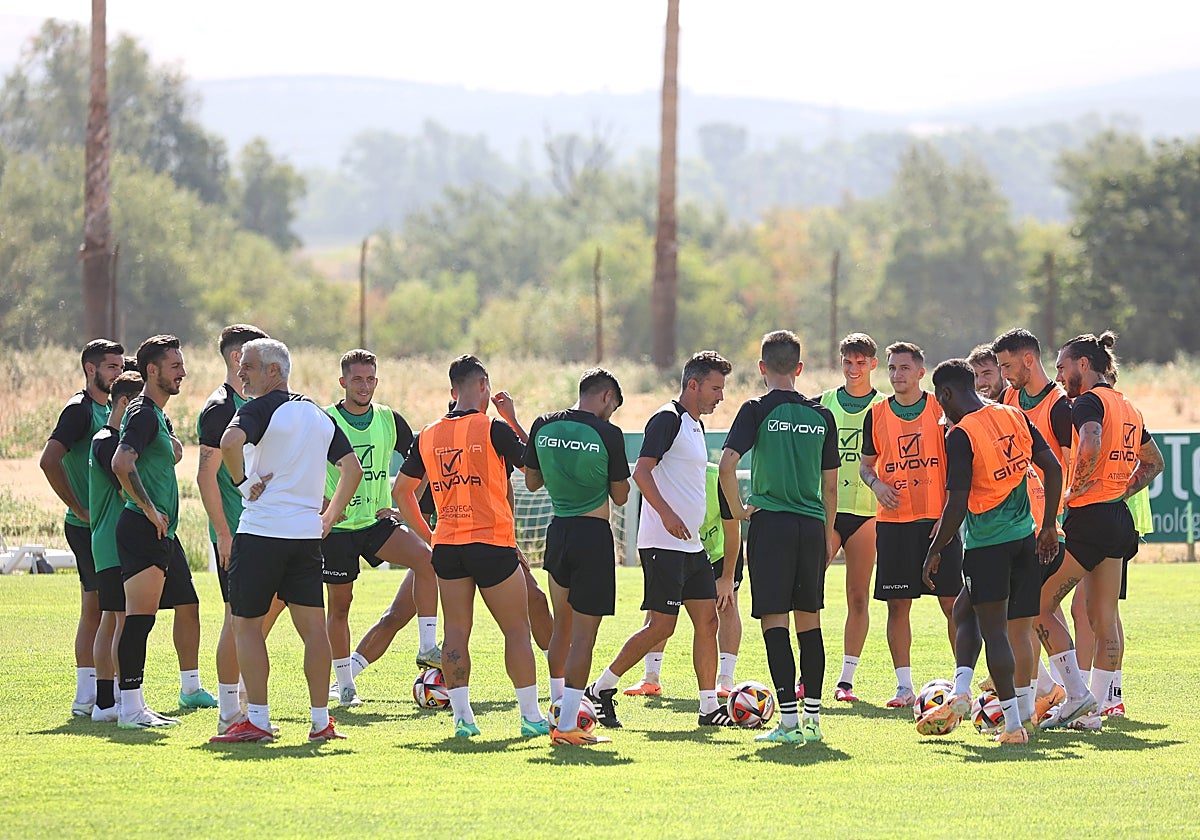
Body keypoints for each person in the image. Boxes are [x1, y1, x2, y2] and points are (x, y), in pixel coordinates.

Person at [211, 338, 363, 743]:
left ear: (273, 371)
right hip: (305, 537)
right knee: (314, 630)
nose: (241, 374)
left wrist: (243, 484)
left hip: (261, 533)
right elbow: (352, 468)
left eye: (249, 367)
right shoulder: (317, 414)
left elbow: (229, 444)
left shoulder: (257, 408)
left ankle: (257, 721)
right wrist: (329, 517)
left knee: (246, 627)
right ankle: (320, 722)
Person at [392, 355, 549, 739]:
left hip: (447, 546)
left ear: (452, 391)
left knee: (456, 632)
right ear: (483, 386)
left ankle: (463, 719)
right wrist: (512, 418)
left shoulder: (426, 433)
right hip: (491, 543)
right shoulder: (492, 427)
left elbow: (401, 492)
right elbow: (534, 465)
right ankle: (530, 717)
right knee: (515, 630)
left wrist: (430, 536)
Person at [586, 351, 736, 729]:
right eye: (716, 388)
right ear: (693, 385)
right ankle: (600, 689)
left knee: (707, 621)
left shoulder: (696, 426)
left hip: (691, 545)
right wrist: (667, 514)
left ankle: (707, 709)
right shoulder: (667, 419)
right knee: (661, 627)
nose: (720, 396)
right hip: (662, 544)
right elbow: (641, 472)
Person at [916, 359, 1063, 744]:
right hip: (1024, 539)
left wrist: (935, 548)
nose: (942, 410)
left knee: (995, 632)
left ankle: (1014, 726)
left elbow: (957, 502)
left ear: (946, 394)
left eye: (940, 401)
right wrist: (1047, 524)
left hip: (987, 547)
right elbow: (1052, 467)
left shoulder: (961, 435)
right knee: (979, 614)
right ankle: (967, 693)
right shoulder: (1013, 414)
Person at [1036, 332, 1163, 732]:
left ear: (1083, 366)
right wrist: (1120, 489)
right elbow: (1154, 463)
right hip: (1116, 518)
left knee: (1037, 605)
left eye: (1062, 367)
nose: (1058, 376)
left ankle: (1075, 696)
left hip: (1089, 519)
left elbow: (1088, 443)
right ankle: (1098, 709)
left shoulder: (1088, 401)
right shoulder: (1127, 405)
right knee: (1103, 617)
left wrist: (1075, 489)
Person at [719, 331, 839, 744]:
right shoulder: (822, 415)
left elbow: (726, 464)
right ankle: (815, 721)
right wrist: (826, 536)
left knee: (775, 622)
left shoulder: (755, 409)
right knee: (811, 623)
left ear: (762, 369)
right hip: (811, 528)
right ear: (800, 369)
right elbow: (831, 488)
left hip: (771, 526)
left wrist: (738, 511)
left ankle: (787, 723)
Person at [320, 349, 440, 707]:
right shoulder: (324, 420)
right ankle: (345, 686)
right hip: (338, 530)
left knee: (428, 559)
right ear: (343, 382)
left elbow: (421, 463)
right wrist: (322, 505)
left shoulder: (389, 418)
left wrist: (407, 506)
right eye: (357, 379)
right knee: (340, 606)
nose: (364, 385)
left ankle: (427, 646)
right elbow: (300, 466)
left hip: (376, 523)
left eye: (370, 378)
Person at [111, 335, 213, 729]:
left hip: (158, 533)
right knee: (139, 620)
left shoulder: (153, 413)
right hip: (142, 528)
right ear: (151, 371)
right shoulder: (141, 412)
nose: (182, 372)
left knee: (167, 610)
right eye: (175, 366)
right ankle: (130, 709)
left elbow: (161, 454)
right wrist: (150, 509)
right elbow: (122, 462)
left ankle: (139, 704)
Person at [524, 368, 629, 745]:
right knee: (584, 637)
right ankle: (568, 725)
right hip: (593, 537)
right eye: (613, 406)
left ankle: (557, 707)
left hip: (558, 532)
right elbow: (620, 496)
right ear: (605, 397)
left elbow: (532, 482)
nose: (611, 413)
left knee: (562, 629)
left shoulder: (543, 424)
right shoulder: (607, 434)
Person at [196, 324, 287, 734]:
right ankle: (230, 710)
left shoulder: (252, 403)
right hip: (237, 535)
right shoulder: (220, 407)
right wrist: (224, 534)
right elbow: (205, 476)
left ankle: (248, 702)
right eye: (252, 359)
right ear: (239, 360)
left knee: (256, 618)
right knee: (237, 620)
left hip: (265, 533)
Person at [859, 341, 961, 708]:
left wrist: (951, 513)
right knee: (898, 605)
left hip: (938, 523)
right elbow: (865, 465)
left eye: (904, 368)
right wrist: (877, 485)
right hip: (895, 525)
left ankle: (960, 682)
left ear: (921, 372)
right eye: (891, 368)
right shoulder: (876, 414)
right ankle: (904, 687)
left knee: (953, 603)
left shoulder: (941, 407)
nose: (897, 375)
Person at [992, 327, 1074, 717]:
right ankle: (1045, 692)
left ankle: (1073, 694)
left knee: (1040, 612)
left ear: (1029, 360)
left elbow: (1069, 467)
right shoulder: (1009, 398)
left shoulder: (1058, 405)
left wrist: (1055, 521)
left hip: (1047, 527)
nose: (1003, 374)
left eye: (1008, 365)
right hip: (1015, 524)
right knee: (1023, 613)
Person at [41, 338, 124, 716]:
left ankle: (94, 694)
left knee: (99, 608)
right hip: (86, 525)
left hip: (105, 524)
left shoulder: (112, 409)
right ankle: (93, 695)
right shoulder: (79, 411)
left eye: (121, 367)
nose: (119, 373)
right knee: (102, 609)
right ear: (91, 370)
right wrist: (79, 506)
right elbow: (49, 460)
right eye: (112, 367)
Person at [623, 463, 742, 699]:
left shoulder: (716, 478)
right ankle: (651, 678)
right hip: (680, 551)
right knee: (660, 610)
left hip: (719, 554)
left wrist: (727, 577)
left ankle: (725, 680)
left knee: (726, 606)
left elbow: (732, 530)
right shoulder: (668, 477)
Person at [819, 332, 886, 703]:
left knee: (858, 597)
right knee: (807, 592)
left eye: (861, 362)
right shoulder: (824, 403)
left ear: (873, 365)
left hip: (866, 513)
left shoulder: (884, 406)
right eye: (848, 361)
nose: (854, 368)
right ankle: (804, 676)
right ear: (840, 361)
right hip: (827, 510)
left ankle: (846, 681)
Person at [86, 370, 142, 722]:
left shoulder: (105, 437)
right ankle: (120, 699)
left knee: (111, 617)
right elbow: (126, 490)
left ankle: (105, 702)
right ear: (124, 402)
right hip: (114, 540)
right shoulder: (109, 440)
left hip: (106, 540)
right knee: (121, 619)